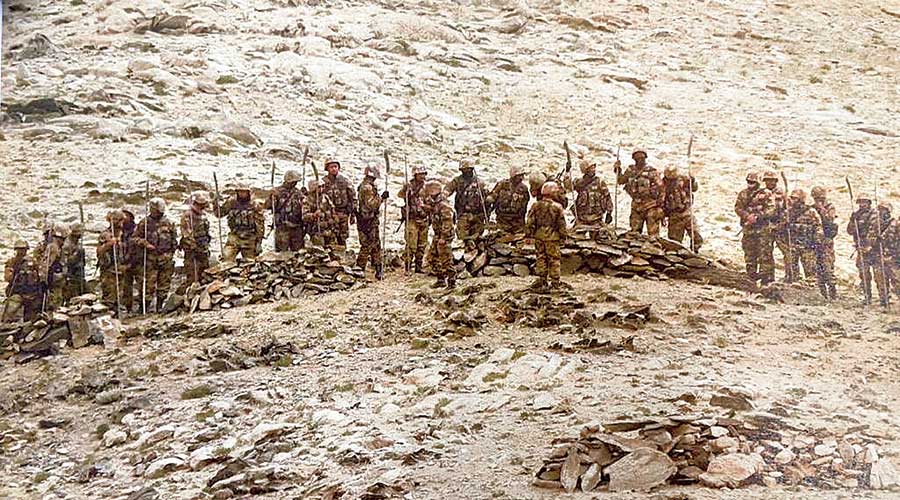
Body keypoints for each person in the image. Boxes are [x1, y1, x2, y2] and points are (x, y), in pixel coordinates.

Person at [133, 197, 178, 312]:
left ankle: (160, 306)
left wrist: (172, 252)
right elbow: (134, 238)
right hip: (150, 258)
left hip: (166, 257)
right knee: (148, 285)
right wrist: (144, 243)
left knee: (164, 283)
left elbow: (174, 239)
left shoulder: (169, 222)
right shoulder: (144, 223)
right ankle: (145, 307)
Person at [785, 189, 830, 299]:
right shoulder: (789, 212)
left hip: (807, 246)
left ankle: (813, 295)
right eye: (792, 198)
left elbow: (818, 227)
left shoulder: (811, 212)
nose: (792, 200)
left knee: (810, 271)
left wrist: (817, 242)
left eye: (795, 198)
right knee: (792, 269)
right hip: (793, 245)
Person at [735, 172, 776, 284]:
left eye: (753, 182)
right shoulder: (743, 194)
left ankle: (766, 282)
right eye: (749, 182)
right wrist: (747, 216)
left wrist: (758, 216)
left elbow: (771, 210)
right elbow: (738, 208)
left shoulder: (766, 193)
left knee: (765, 256)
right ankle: (751, 279)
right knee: (749, 255)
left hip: (763, 230)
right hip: (748, 230)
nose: (750, 184)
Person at [526, 181, 568, 289]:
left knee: (540, 257)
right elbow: (561, 224)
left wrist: (528, 235)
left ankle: (542, 279)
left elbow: (530, 222)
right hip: (553, 238)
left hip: (539, 236)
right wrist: (563, 237)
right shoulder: (557, 207)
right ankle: (555, 282)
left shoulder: (535, 205)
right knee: (554, 259)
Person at [615, 150, 664, 236]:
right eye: (638, 158)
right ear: (634, 159)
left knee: (653, 234)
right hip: (636, 206)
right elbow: (621, 180)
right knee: (634, 233)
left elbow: (661, 187)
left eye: (642, 158)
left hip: (650, 205)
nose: (640, 160)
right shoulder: (631, 171)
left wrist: (660, 203)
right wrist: (618, 170)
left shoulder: (651, 171)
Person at [445, 158, 488, 252]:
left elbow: (487, 199)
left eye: (470, 169)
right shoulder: (457, 181)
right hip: (463, 214)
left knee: (477, 239)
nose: (468, 171)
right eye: (466, 169)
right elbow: (447, 190)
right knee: (462, 239)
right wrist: (444, 196)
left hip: (477, 215)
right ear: (462, 170)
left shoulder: (480, 182)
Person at [356, 165, 389, 279]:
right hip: (367, 220)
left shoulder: (367, 186)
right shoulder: (367, 188)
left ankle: (377, 268)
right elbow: (371, 205)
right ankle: (359, 269)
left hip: (369, 219)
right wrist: (382, 198)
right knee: (368, 245)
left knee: (375, 244)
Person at [218, 183, 265, 262]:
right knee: (225, 258)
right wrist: (215, 203)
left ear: (248, 192)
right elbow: (219, 214)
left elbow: (260, 225)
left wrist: (259, 242)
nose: (242, 194)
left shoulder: (254, 205)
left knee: (250, 263)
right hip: (234, 236)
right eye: (240, 192)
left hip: (249, 238)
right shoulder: (231, 202)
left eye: (244, 192)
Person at [423, 180, 456, 288]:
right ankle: (441, 279)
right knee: (432, 257)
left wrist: (443, 237)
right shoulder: (435, 202)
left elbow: (448, 222)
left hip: (444, 235)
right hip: (438, 234)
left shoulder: (443, 205)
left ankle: (452, 281)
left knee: (446, 258)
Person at [663, 166, 703, 251]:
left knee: (695, 234)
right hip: (674, 215)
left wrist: (693, 180)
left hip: (686, 212)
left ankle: (695, 250)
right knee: (674, 241)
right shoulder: (663, 183)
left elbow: (694, 188)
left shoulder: (684, 179)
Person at [320, 158, 357, 248]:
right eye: (331, 167)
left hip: (343, 213)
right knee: (329, 237)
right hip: (328, 215)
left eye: (335, 166)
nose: (334, 169)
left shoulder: (345, 181)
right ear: (327, 169)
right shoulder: (323, 182)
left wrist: (353, 214)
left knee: (342, 237)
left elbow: (352, 198)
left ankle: (343, 256)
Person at [266, 170, 306, 252]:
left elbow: (305, 206)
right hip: (282, 227)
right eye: (293, 182)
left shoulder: (298, 193)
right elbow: (267, 206)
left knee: (298, 252)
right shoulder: (277, 192)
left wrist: (306, 194)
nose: (295, 183)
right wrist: (271, 197)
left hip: (296, 227)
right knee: (281, 252)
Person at [398, 165, 429, 273]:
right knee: (411, 244)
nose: (422, 176)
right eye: (420, 174)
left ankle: (418, 267)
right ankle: (407, 267)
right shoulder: (409, 186)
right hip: (412, 219)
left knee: (422, 244)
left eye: (424, 174)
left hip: (424, 218)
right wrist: (407, 194)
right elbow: (400, 196)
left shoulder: (427, 187)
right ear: (415, 175)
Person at [97, 210, 128, 315]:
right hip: (109, 271)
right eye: (120, 221)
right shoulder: (106, 235)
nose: (122, 224)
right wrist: (109, 244)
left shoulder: (122, 234)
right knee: (109, 298)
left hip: (120, 269)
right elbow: (99, 251)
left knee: (118, 296)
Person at [2, 239, 40, 322]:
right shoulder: (12, 262)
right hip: (17, 292)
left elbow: (39, 276)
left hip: (31, 294)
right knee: (10, 312)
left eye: (23, 249)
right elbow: (7, 278)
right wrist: (14, 272)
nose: (21, 251)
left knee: (31, 317)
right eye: (19, 249)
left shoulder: (33, 262)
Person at [847, 196, 876, 304]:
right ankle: (867, 296)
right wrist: (853, 221)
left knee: (879, 275)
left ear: (869, 203)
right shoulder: (856, 215)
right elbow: (850, 231)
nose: (862, 204)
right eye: (860, 202)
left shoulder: (874, 214)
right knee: (863, 273)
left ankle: (884, 298)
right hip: (861, 248)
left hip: (874, 249)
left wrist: (870, 244)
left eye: (864, 202)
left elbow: (874, 230)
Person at [33, 223, 68, 312]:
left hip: (58, 281)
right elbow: (45, 265)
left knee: (58, 300)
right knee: (53, 302)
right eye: (61, 239)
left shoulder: (58, 247)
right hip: (53, 280)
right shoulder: (53, 247)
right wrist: (44, 280)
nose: (63, 241)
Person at [810, 186, 838, 299]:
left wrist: (821, 208)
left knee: (827, 266)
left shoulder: (830, 207)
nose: (818, 200)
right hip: (815, 240)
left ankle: (832, 291)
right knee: (817, 267)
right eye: (816, 198)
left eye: (820, 198)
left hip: (826, 240)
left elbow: (829, 220)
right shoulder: (812, 208)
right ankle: (822, 293)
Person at [180, 191, 212, 286]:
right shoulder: (187, 215)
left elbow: (206, 231)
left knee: (205, 274)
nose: (202, 207)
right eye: (200, 205)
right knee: (192, 276)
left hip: (203, 248)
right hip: (192, 249)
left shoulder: (203, 216)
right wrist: (193, 246)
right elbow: (186, 234)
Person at [487, 166, 530, 234]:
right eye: (519, 176)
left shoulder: (524, 189)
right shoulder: (502, 185)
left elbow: (525, 205)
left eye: (522, 175)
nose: (521, 178)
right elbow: (492, 197)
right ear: (513, 176)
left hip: (518, 223)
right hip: (502, 221)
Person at [569, 160, 613, 227]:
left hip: (596, 218)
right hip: (582, 217)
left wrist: (609, 213)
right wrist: (567, 172)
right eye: (591, 168)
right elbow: (568, 187)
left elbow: (607, 197)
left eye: (594, 168)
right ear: (586, 170)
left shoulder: (600, 182)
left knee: (603, 235)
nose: (593, 170)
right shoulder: (579, 183)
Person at [870, 202, 893, 307]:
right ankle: (884, 300)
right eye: (880, 210)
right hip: (878, 254)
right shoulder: (875, 224)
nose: (881, 212)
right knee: (880, 278)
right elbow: (870, 238)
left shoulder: (894, 223)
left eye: (884, 210)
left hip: (892, 256)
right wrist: (876, 239)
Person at [304, 179, 338, 249]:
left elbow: (332, 209)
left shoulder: (325, 197)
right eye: (319, 187)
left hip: (329, 230)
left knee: (332, 250)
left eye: (323, 186)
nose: (322, 189)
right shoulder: (307, 200)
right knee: (319, 251)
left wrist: (334, 218)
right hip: (317, 231)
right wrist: (314, 215)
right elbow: (304, 216)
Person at [62, 223, 87, 300]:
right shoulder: (67, 245)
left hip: (79, 274)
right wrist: (77, 254)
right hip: (70, 276)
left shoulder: (78, 244)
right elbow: (66, 262)